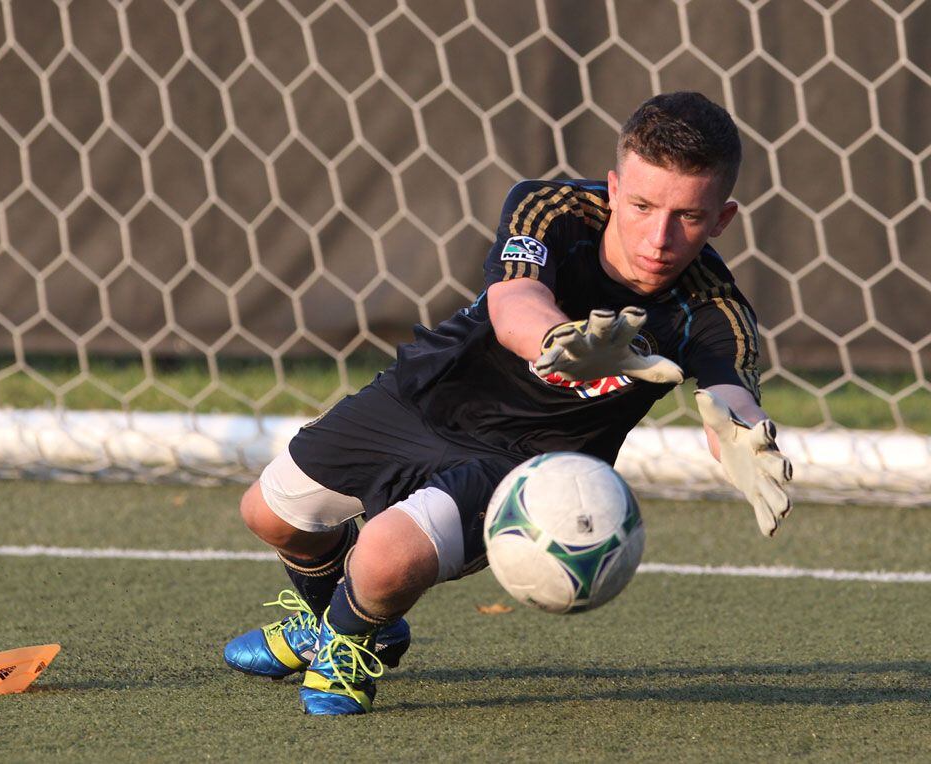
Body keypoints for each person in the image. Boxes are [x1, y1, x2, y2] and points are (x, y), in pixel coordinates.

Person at [223, 91, 793, 715]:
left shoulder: (715, 312)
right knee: (270, 513)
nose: (658, 237)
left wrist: (742, 433)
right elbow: (513, 304)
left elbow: (731, 398)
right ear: (612, 188)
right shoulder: (551, 208)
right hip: (428, 396)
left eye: (688, 216)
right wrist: (558, 342)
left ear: (722, 219)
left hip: (526, 462)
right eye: (641, 204)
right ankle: (343, 622)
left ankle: (349, 645)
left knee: (382, 556)